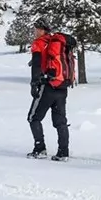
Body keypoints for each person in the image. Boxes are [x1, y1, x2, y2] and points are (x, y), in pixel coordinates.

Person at [27, 19, 70, 161]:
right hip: (62, 86)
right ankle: (63, 152)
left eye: (36, 29)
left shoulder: (39, 43)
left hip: (47, 86)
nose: (35, 31)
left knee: (33, 117)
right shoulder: (56, 42)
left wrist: (34, 83)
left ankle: (40, 149)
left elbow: (37, 65)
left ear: (42, 30)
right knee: (60, 121)